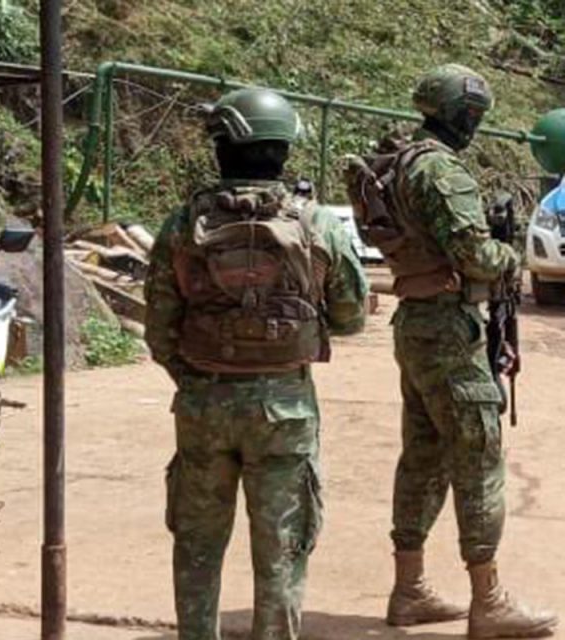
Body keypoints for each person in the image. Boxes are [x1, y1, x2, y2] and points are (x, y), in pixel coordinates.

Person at [145, 87, 368, 640]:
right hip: (286, 409)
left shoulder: (183, 223)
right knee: (283, 550)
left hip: (203, 405)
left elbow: (159, 328)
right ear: (285, 149)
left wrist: (198, 375)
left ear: (220, 147)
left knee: (197, 545)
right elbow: (350, 316)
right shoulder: (318, 224)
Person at [353, 63, 557, 638]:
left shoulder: (398, 163)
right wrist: (508, 257)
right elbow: (474, 255)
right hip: (449, 328)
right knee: (478, 456)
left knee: (423, 455)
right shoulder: (442, 172)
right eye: (474, 116)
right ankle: (488, 601)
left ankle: (409, 588)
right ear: (461, 115)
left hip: (415, 322)